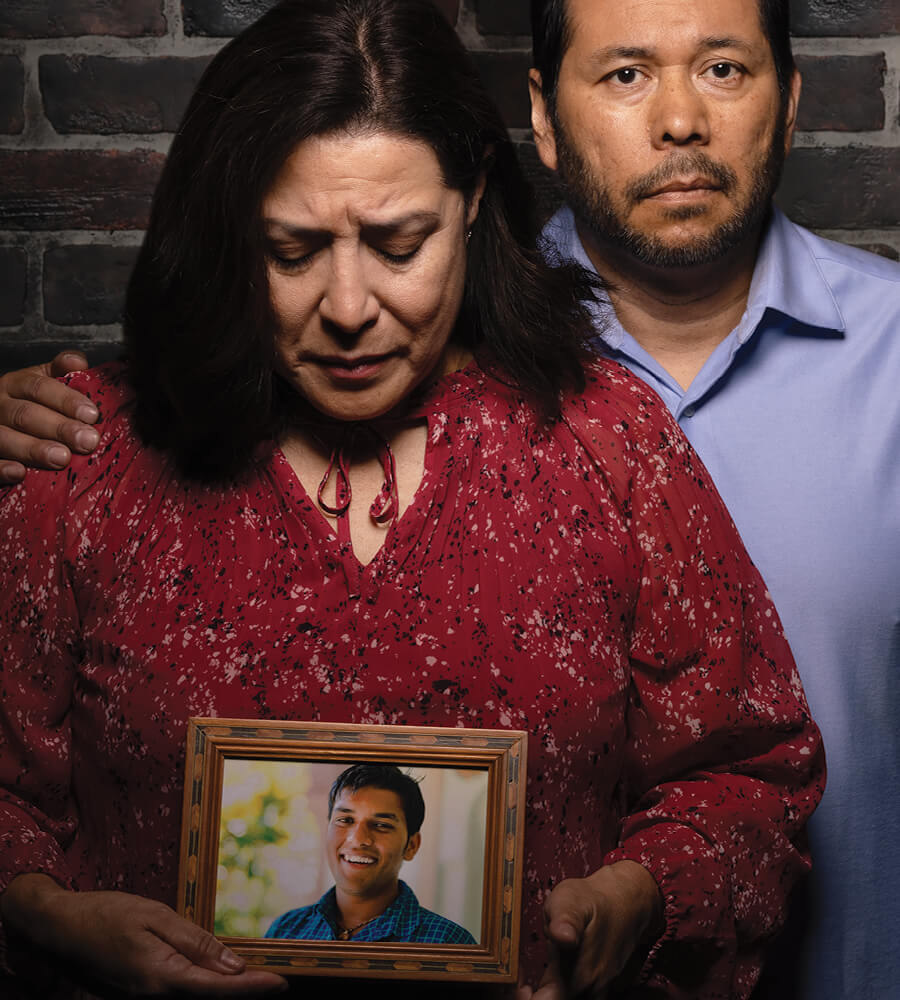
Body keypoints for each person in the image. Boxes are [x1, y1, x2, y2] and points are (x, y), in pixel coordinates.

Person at [0, 0, 823, 998]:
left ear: (473, 203)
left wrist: (637, 895)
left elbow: (750, 775)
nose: (349, 310)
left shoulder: (611, 444)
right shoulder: (81, 457)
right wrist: (46, 912)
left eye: (399, 246)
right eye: (293, 251)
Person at [525, 0, 900, 996]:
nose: (682, 120)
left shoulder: (897, 355)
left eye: (725, 70)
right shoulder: (435, 357)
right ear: (543, 118)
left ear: (789, 107)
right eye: (626, 75)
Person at [264, 763, 475, 944]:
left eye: (381, 825)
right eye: (345, 820)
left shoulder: (448, 942)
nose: (358, 839)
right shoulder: (286, 931)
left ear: (411, 845)